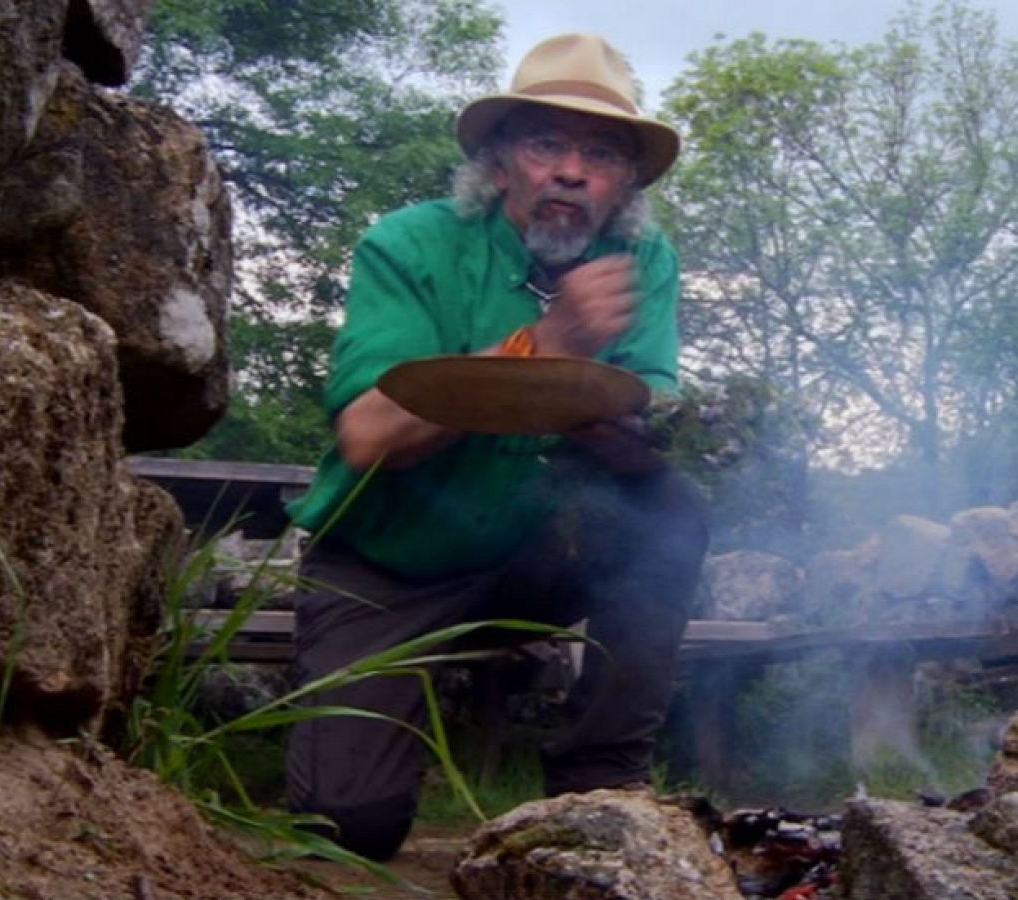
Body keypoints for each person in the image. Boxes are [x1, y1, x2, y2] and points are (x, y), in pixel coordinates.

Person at [281, 33, 708, 861]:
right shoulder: (409, 244)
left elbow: (656, 415)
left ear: (625, 181)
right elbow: (369, 436)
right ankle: (374, 739)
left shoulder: (643, 259)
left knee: (670, 508)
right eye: (546, 142)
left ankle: (602, 781)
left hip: (531, 557)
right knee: (349, 828)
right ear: (501, 161)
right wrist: (549, 344)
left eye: (602, 151)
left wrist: (627, 432)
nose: (571, 170)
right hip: (388, 568)